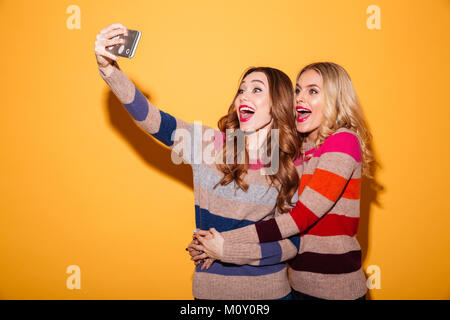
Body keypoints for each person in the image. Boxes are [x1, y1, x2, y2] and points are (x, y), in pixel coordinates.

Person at [95, 23, 304, 299]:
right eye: (241, 90)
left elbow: (291, 243)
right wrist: (109, 70)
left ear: (277, 103)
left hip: (270, 294)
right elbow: (153, 119)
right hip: (211, 293)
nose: (243, 95)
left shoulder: (289, 163)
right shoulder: (209, 145)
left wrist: (227, 250)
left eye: (256, 90)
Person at [191, 62, 373, 300]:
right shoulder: (302, 148)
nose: (299, 98)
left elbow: (300, 218)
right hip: (297, 284)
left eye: (313, 91)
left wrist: (220, 242)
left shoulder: (343, 141)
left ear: (336, 99)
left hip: (335, 290)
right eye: (297, 91)